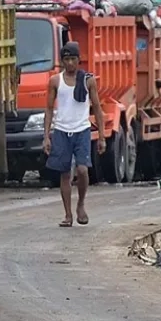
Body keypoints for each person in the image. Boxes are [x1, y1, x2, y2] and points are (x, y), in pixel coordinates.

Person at [42, 41, 104, 228]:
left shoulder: (87, 81)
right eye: (66, 59)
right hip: (61, 131)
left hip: (82, 130)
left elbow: (98, 108)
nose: (70, 63)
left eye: (73, 59)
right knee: (64, 174)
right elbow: (49, 108)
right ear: (62, 61)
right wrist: (46, 136)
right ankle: (68, 214)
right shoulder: (55, 81)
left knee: (83, 170)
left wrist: (101, 136)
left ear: (79, 60)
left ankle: (81, 204)